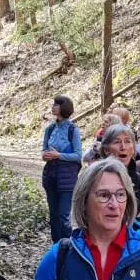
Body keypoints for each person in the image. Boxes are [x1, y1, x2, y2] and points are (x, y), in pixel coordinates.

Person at [101, 124, 140, 234]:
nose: (123, 147)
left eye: (128, 141)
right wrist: (133, 220)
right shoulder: (95, 181)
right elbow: (92, 217)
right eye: (117, 142)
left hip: (134, 241)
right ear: (106, 149)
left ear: (133, 149)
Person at [42, 96, 84, 243]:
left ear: (64, 107)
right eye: (53, 104)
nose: (53, 106)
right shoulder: (50, 129)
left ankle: (67, 245)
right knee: (53, 215)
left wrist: (59, 155)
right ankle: (56, 246)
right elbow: (44, 150)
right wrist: (46, 156)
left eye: (57, 104)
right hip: (51, 175)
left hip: (67, 178)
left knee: (63, 216)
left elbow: (78, 155)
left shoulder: (72, 130)